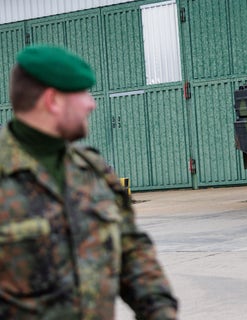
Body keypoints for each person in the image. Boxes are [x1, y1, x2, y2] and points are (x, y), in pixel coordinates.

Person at [0, 45, 178, 319]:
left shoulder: (93, 170)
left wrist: (160, 310)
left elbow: (130, 248)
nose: (91, 103)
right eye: (82, 93)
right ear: (53, 100)